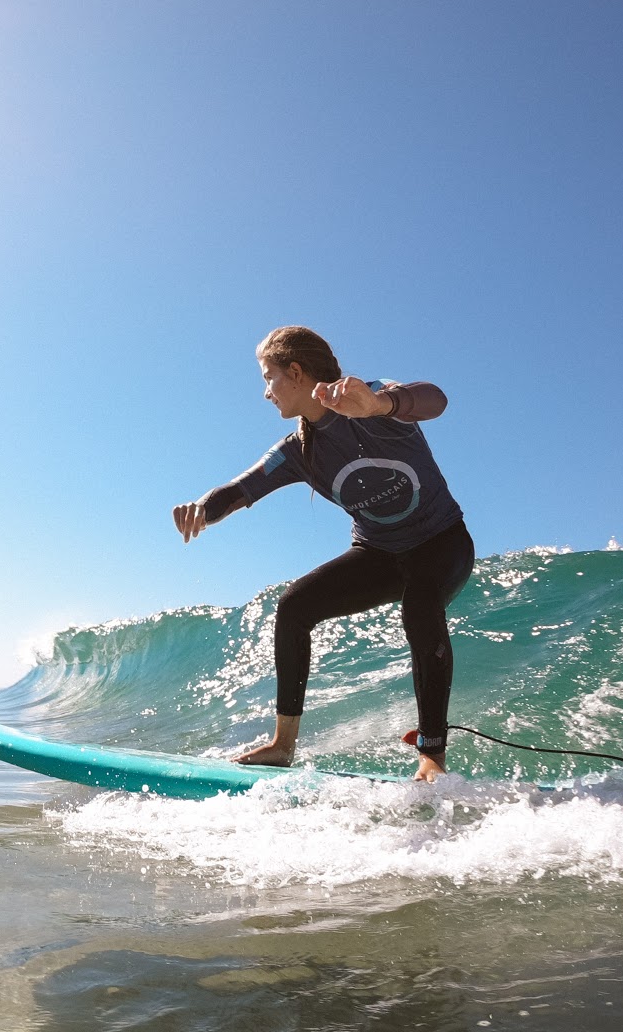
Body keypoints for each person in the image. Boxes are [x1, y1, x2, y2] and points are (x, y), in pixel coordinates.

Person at [172, 326, 474, 782]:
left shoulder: (366, 399)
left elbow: (436, 399)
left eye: (268, 377)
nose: (265, 392)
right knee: (294, 607)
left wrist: (380, 405)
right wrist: (203, 509)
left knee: (421, 604)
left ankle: (432, 755)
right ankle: (282, 745)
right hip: (377, 553)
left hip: (441, 542)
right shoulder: (297, 451)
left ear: (295, 373)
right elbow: (242, 488)